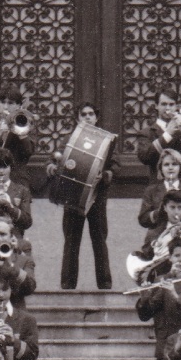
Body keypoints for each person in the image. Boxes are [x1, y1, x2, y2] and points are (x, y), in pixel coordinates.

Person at [50, 102, 117, 290]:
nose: (87, 117)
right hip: (73, 196)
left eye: (91, 114)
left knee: (99, 240)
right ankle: (67, 286)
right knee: (71, 241)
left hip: (96, 197)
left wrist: (105, 175)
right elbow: (53, 161)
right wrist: (53, 167)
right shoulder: (69, 140)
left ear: (96, 117)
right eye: (83, 114)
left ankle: (105, 285)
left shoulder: (106, 141)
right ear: (78, 118)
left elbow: (115, 165)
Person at [136, 147, 181, 232]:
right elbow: (143, 220)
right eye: (166, 164)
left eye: (174, 164)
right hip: (157, 237)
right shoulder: (151, 191)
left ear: (180, 167)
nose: (170, 167)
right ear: (161, 168)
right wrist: (160, 211)